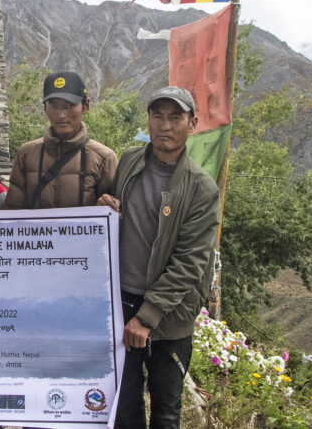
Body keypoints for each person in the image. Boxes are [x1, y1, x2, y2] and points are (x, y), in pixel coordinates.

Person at [95, 86, 221, 429]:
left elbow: (190, 263)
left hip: (170, 316)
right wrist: (105, 205)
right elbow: (116, 218)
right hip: (122, 302)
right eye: (158, 116)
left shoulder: (201, 187)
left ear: (192, 124)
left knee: (166, 410)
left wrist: (147, 317)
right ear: (149, 121)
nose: (165, 125)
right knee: (125, 405)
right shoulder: (131, 161)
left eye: (175, 117)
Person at [4, 71, 117, 210]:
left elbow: (115, 216)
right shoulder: (26, 154)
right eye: (54, 106)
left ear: (85, 106)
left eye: (69, 105)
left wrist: (106, 205)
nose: (61, 114)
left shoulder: (104, 158)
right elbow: (13, 212)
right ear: (45, 108)